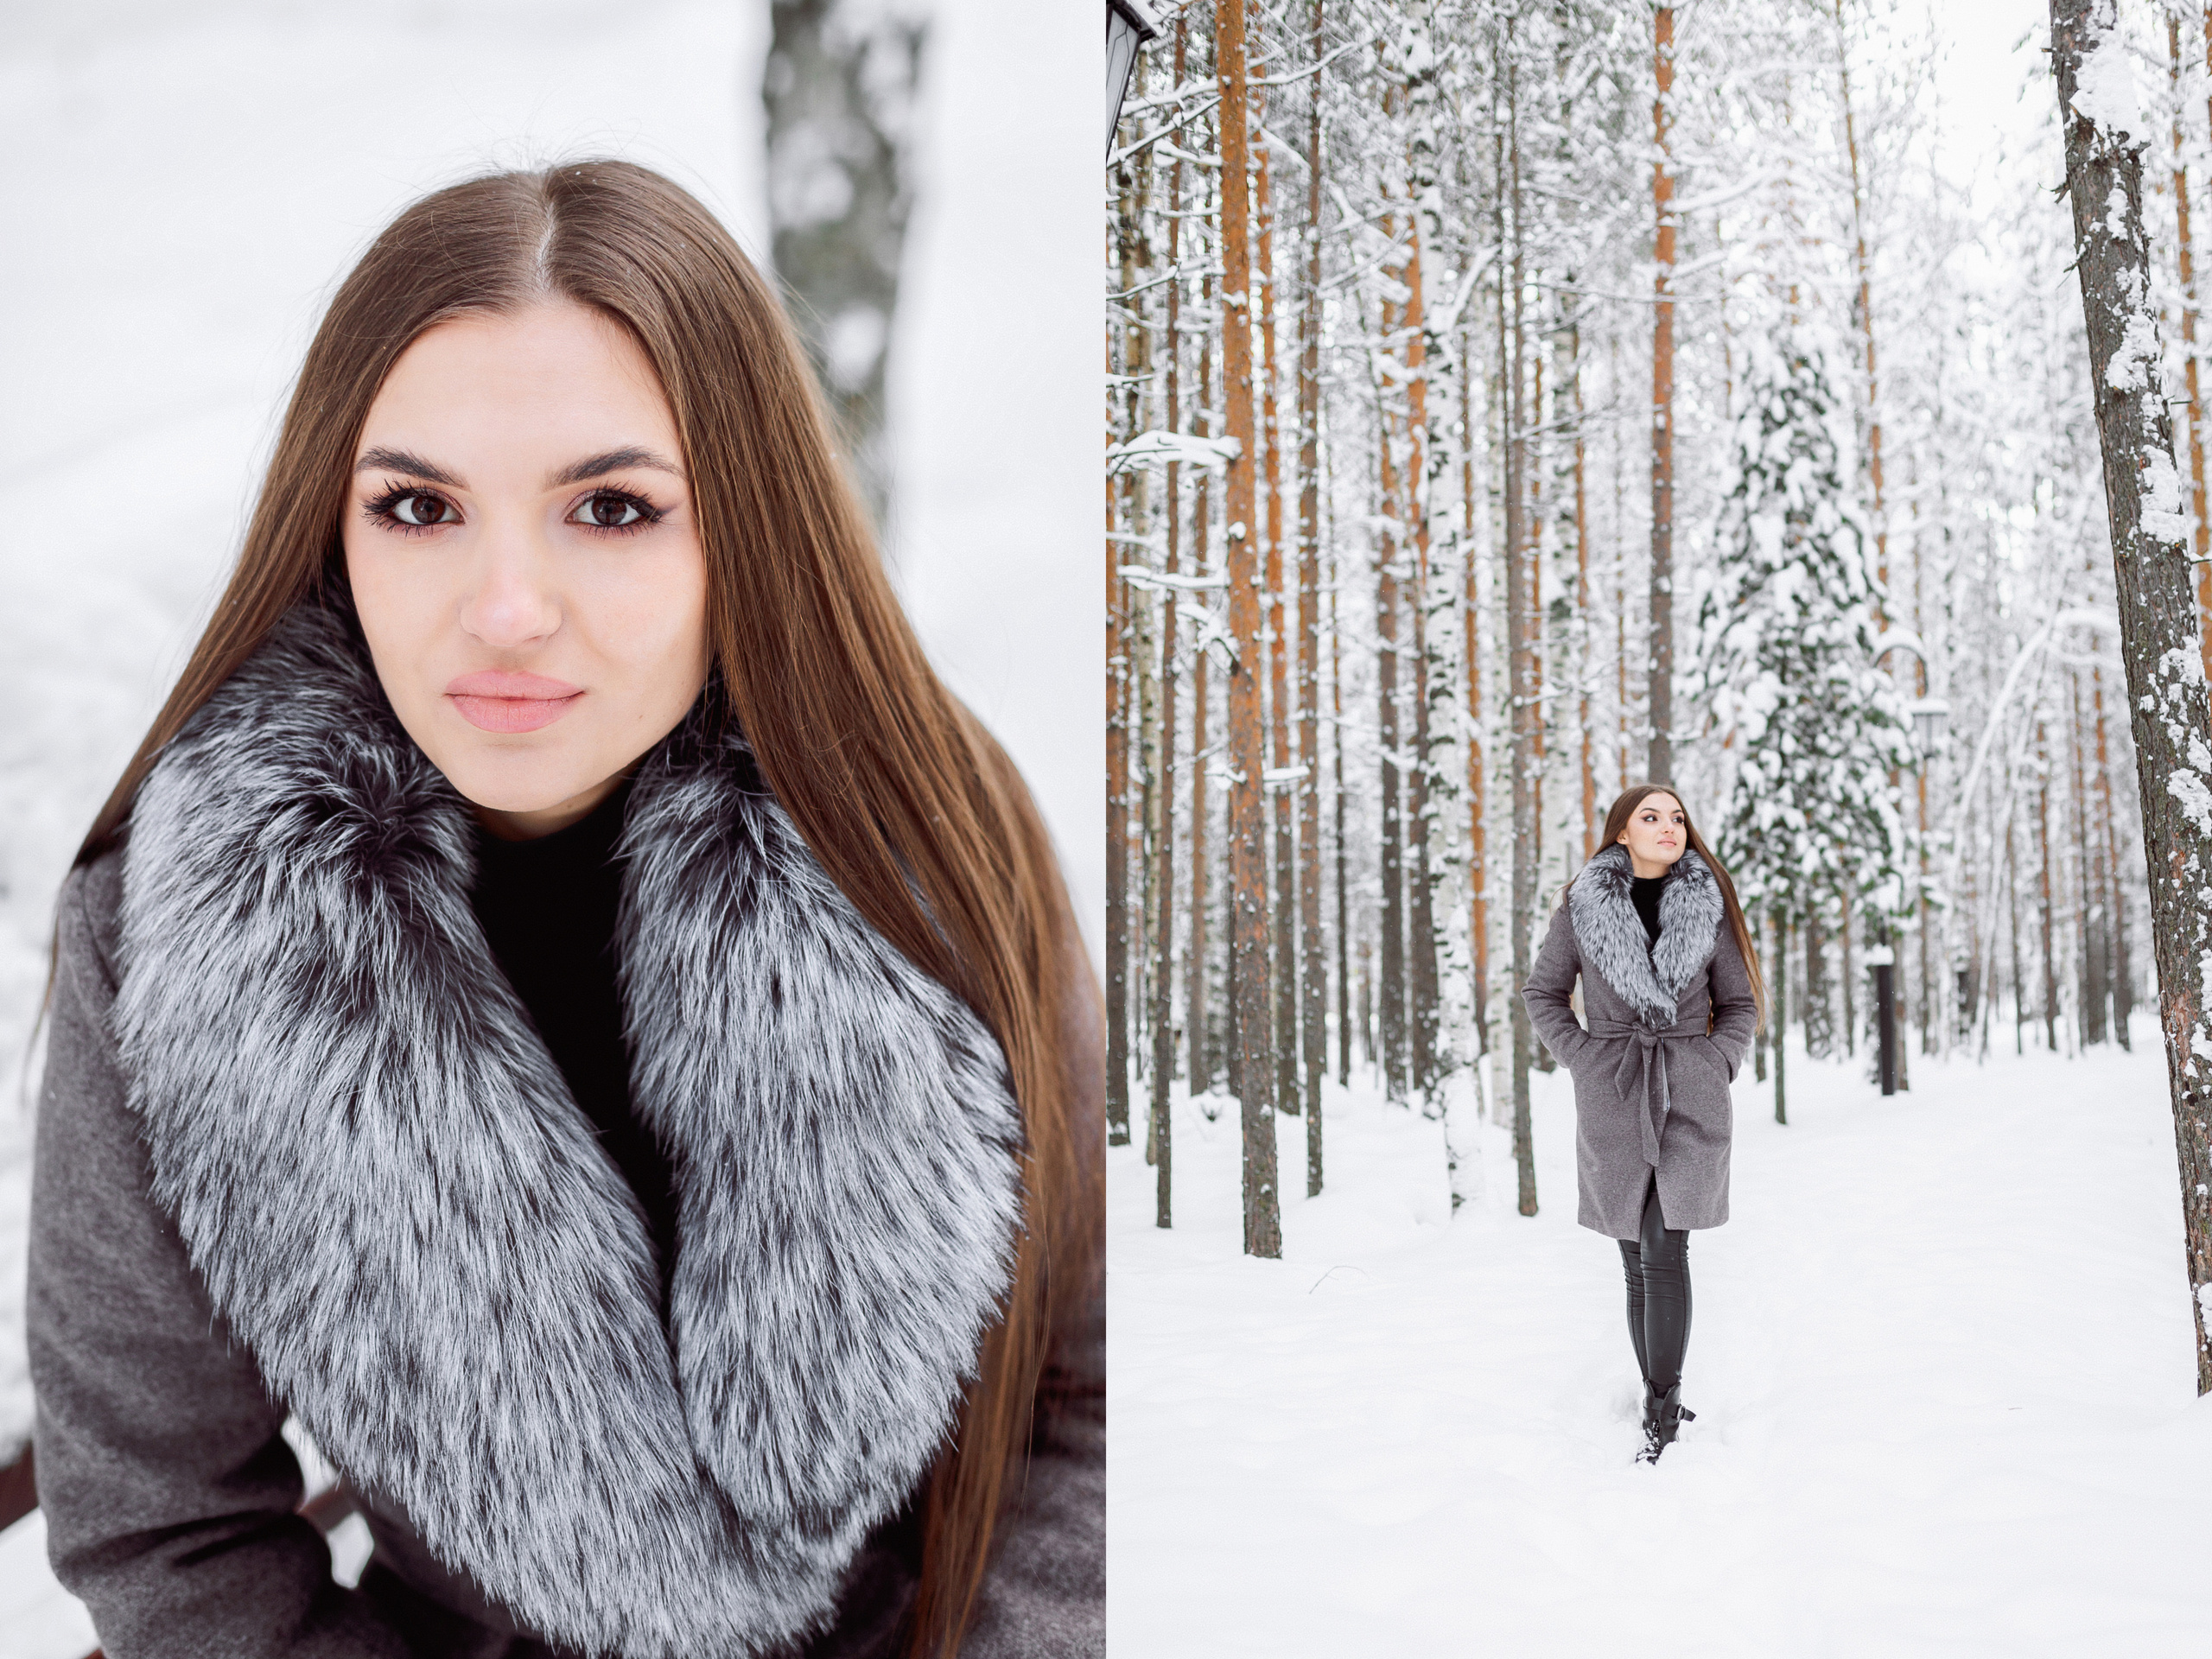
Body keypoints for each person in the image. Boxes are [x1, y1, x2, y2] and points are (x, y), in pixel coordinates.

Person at [28, 160, 1103, 1659]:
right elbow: (168, 1524)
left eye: (610, 507)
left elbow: (1091, 1395)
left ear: (743, 524)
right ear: (335, 528)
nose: (509, 605)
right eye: (418, 507)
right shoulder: (186, 933)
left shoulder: (928, 828)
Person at [1520, 784, 1764, 1465]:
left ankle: (1662, 1411)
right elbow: (1543, 993)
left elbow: (1739, 1003)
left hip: (1690, 1090)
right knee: (1634, 1254)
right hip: (1616, 1090)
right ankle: (1658, 1392)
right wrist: (1584, 1058)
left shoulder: (1706, 905)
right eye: (1650, 817)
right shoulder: (1581, 906)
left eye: (1677, 817)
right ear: (1621, 832)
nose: (1668, 827)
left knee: (1664, 1244)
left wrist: (1716, 1060)